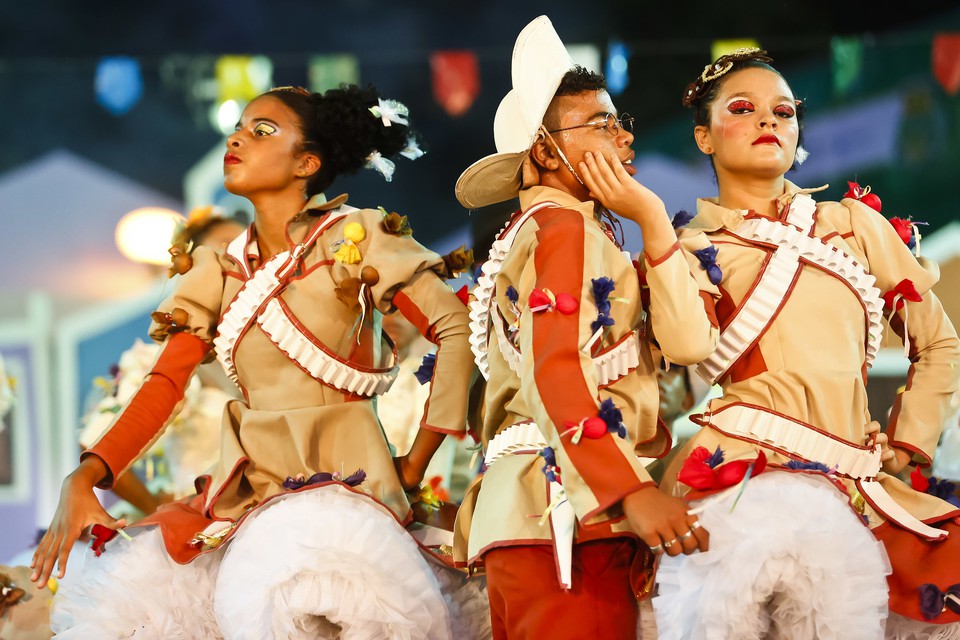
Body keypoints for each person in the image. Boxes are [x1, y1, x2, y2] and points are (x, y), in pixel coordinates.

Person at [30, 83, 479, 639]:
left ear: (306, 163)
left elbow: (456, 326)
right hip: (245, 497)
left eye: (262, 130)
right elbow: (164, 384)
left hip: (346, 501)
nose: (237, 138)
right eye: (238, 127)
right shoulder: (216, 271)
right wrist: (88, 474)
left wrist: (415, 462)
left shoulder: (356, 237)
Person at [623, 48, 960, 639]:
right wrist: (654, 226)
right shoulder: (689, 247)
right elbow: (682, 344)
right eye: (744, 109)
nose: (768, 122)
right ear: (704, 137)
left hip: (855, 475)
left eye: (784, 110)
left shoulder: (853, 226)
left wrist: (905, 446)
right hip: (746, 475)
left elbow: (938, 344)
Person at [453, 16, 718, 638]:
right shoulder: (561, 228)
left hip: (536, 513)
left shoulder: (557, 233)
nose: (624, 137)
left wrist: (652, 218)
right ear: (546, 151)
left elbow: (688, 346)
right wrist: (629, 490)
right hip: (568, 514)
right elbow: (556, 369)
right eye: (601, 123)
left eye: (618, 120)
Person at [77, 206, 246, 519]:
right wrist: (159, 512)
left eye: (246, 243)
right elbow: (93, 441)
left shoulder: (265, 345)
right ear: (196, 264)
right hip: (198, 521)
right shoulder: (165, 357)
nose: (240, 253)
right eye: (226, 244)